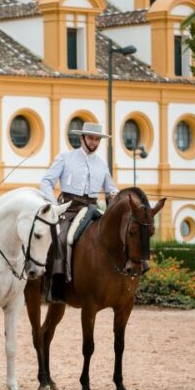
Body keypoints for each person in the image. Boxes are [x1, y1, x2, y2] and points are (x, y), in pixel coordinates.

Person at [39, 121, 119, 301]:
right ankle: (57, 284)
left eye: (97, 139)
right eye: (91, 138)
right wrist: (54, 205)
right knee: (61, 238)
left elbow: (111, 188)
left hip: (92, 210)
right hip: (69, 209)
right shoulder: (65, 157)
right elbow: (46, 182)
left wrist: (114, 193)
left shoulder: (102, 164)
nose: (94, 142)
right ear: (82, 138)